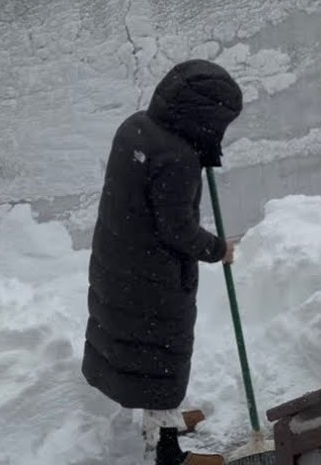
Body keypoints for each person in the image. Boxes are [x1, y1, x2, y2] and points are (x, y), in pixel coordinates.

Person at [82, 60, 245, 465]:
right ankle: (168, 454)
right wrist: (217, 249)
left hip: (122, 266)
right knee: (161, 361)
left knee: (147, 361)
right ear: (204, 117)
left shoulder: (135, 126)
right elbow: (179, 231)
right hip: (153, 282)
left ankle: (164, 420)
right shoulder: (177, 157)